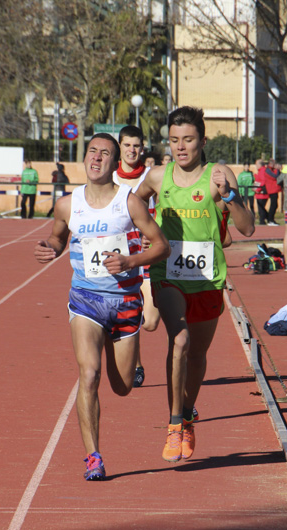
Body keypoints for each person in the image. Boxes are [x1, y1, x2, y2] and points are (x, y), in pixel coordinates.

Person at [33, 133, 170, 480]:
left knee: (123, 386)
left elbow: (162, 246)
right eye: (92, 152)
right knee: (89, 374)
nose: (96, 158)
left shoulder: (129, 203)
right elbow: (58, 236)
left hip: (124, 302)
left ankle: (114, 343)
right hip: (86, 301)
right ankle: (93, 456)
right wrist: (49, 247)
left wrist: (131, 261)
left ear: (114, 163)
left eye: (104, 153)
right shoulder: (67, 204)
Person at [136, 106, 255, 463]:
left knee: (198, 355)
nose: (180, 147)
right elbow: (131, 204)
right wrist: (143, 234)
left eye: (188, 140)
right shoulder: (157, 177)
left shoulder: (219, 175)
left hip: (206, 278)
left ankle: (188, 413)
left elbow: (247, 228)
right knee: (181, 341)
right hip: (167, 276)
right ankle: (174, 424)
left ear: (203, 141)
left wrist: (229, 197)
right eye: (174, 141)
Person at [112, 125, 158, 388]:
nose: (132, 150)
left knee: (150, 322)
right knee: (132, 313)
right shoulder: (110, 178)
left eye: (136, 145)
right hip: (121, 258)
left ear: (142, 148)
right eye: (127, 145)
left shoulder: (152, 177)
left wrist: (153, 232)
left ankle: (135, 319)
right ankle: (137, 364)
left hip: (148, 257)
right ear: (120, 146)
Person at [264, 159, 281, 225]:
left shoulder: (272, 170)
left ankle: (271, 219)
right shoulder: (268, 170)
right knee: (273, 205)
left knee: (275, 205)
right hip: (272, 190)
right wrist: (277, 170)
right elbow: (275, 176)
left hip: (274, 189)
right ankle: (270, 220)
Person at [254, 160, 270, 224]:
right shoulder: (261, 171)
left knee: (261, 208)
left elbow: (263, 182)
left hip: (262, 193)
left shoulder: (262, 171)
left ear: (260, 164)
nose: (256, 166)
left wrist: (257, 190)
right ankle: (266, 219)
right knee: (261, 208)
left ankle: (263, 220)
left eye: (256, 164)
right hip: (260, 193)